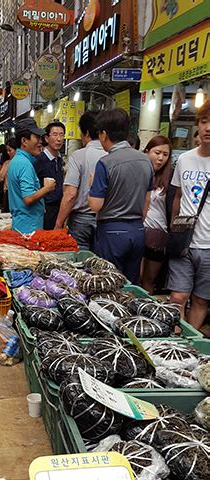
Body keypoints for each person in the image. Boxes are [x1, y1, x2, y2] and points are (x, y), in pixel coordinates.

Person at [88, 108, 154, 284]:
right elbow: (147, 199)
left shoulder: (105, 163)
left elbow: (95, 205)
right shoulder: (145, 160)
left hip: (112, 231)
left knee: (108, 284)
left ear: (103, 134)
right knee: (131, 284)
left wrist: (91, 185)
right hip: (138, 230)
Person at [167, 100, 210, 329]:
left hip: (209, 245)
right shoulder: (184, 159)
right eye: (204, 121)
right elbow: (178, 196)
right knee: (177, 298)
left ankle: (192, 344)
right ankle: (179, 342)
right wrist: (174, 227)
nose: (208, 128)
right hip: (184, 240)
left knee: (201, 299)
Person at [55, 112, 106, 250]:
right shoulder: (112, 156)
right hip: (105, 220)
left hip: (80, 221)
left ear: (86, 133)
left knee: (79, 262)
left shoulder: (78, 156)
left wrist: (59, 224)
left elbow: (70, 194)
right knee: (100, 264)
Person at [8, 118, 56, 234]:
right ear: (24, 141)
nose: (40, 142)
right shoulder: (24, 164)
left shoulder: (18, 160)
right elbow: (28, 198)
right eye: (36, 137)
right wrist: (47, 188)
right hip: (28, 228)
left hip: (22, 224)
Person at [140, 135, 173, 294]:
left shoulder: (170, 178)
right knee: (134, 278)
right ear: (147, 151)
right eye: (157, 152)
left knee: (148, 281)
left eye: (165, 155)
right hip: (138, 230)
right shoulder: (138, 172)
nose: (160, 158)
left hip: (158, 235)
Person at [35, 121, 65, 229]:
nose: (59, 139)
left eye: (61, 135)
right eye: (55, 134)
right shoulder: (40, 159)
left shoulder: (59, 159)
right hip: (46, 210)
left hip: (59, 208)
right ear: (46, 138)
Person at [0, 138, 17, 213]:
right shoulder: (26, 161)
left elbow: (0, 177)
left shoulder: (8, 163)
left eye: (10, 150)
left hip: (10, 193)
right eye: (7, 150)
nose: (8, 153)